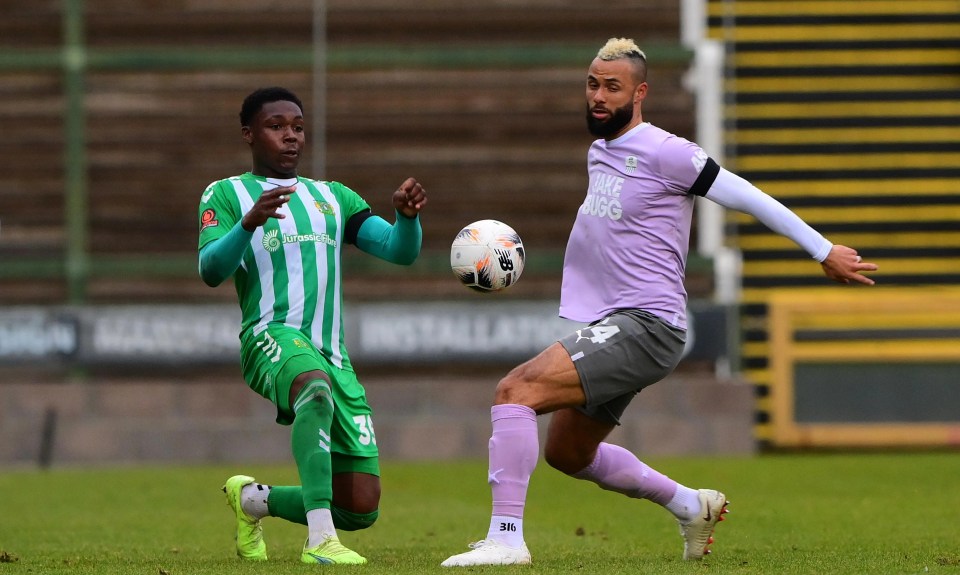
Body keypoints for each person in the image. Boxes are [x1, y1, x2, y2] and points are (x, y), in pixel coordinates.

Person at [441, 38, 878, 567]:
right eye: (592, 84)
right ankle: (690, 504)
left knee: (515, 390)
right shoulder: (600, 149)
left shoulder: (669, 151)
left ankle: (506, 540)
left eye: (612, 87)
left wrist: (823, 249)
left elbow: (747, 195)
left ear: (640, 92)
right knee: (567, 453)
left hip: (649, 323)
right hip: (619, 321)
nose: (598, 96)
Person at [197, 86, 427, 565]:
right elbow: (211, 270)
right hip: (269, 338)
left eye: (297, 127)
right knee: (314, 389)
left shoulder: (332, 197)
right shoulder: (225, 193)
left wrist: (406, 220)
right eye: (276, 126)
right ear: (249, 134)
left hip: (333, 354)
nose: (290, 137)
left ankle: (252, 501)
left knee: (360, 504)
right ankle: (320, 541)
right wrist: (247, 224)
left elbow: (398, 251)